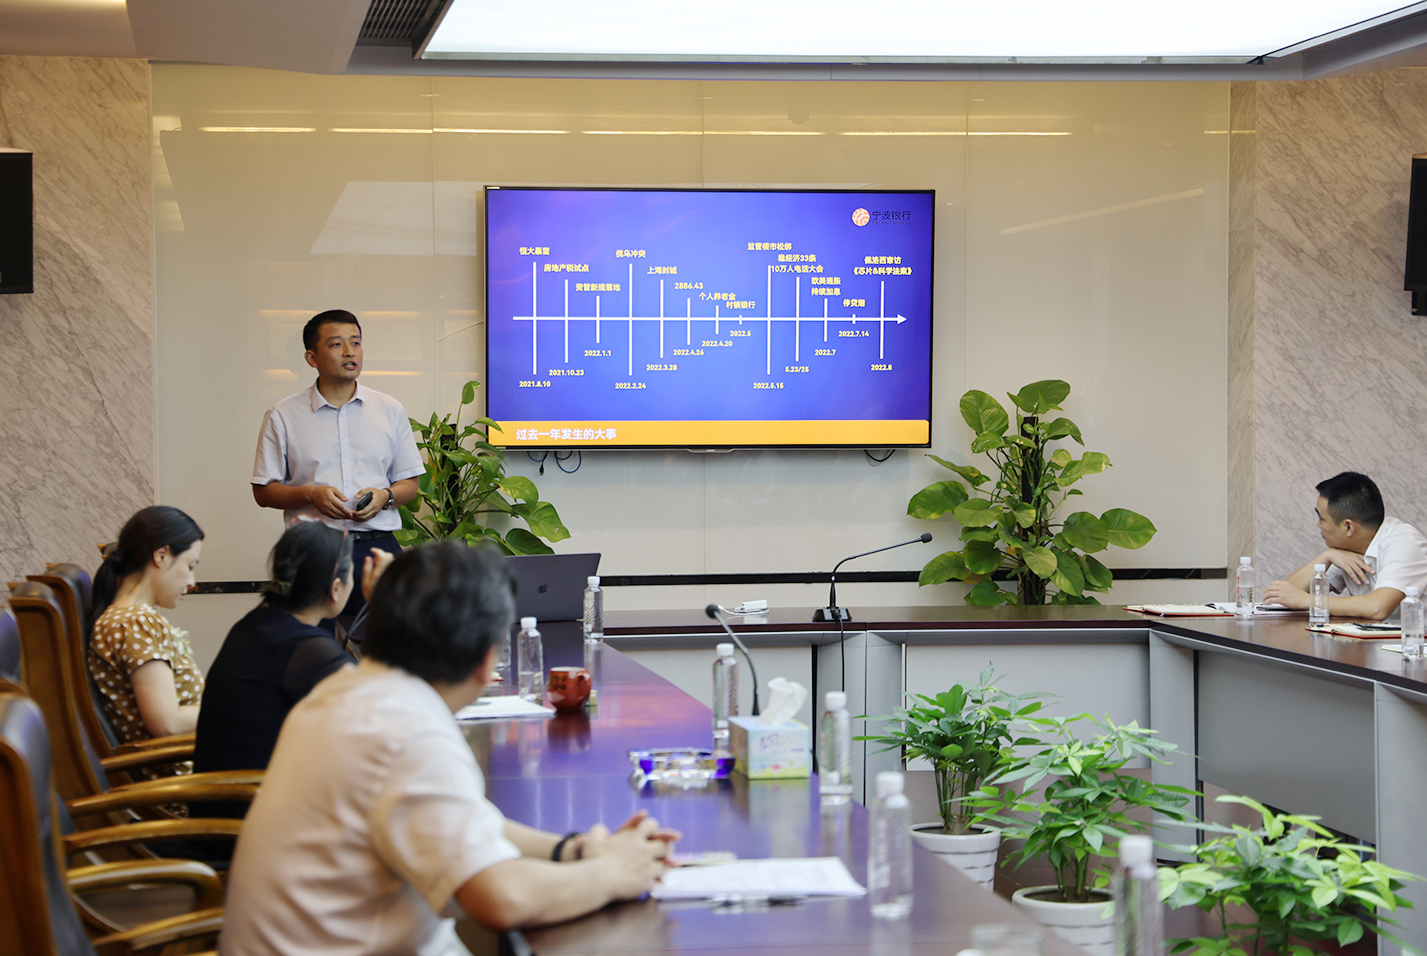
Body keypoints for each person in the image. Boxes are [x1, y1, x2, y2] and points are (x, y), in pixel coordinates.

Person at [219, 542, 678, 954]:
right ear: (488, 659)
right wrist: (614, 873)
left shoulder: (348, 693)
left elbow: (466, 820)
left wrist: (571, 849)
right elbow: (501, 898)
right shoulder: (408, 731)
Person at [193, 522, 393, 793]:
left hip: (221, 800)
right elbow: (384, 711)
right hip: (249, 808)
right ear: (336, 588)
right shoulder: (307, 650)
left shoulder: (254, 623)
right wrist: (383, 605)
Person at [251, 309, 425, 621]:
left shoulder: (389, 409)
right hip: (313, 551)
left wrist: (385, 496)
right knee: (313, 645)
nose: (349, 352)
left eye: (355, 343)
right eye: (336, 344)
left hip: (376, 549)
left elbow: (409, 484)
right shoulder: (283, 415)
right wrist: (310, 495)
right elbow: (263, 491)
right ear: (311, 358)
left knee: (386, 643)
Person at [86, 506, 206, 775]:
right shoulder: (132, 623)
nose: (192, 582)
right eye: (189, 567)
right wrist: (236, 708)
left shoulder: (129, 619)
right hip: (185, 785)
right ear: (161, 555)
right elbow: (167, 723)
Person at [1264, 471, 1427, 622]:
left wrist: (1308, 601)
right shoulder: (1347, 548)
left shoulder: (1405, 543)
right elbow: (1287, 593)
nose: (1318, 525)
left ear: (1348, 527)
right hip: (1372, 640)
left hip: (1413, 641)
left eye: (1322, 519)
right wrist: (1327, 556)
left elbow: (1377, 608)